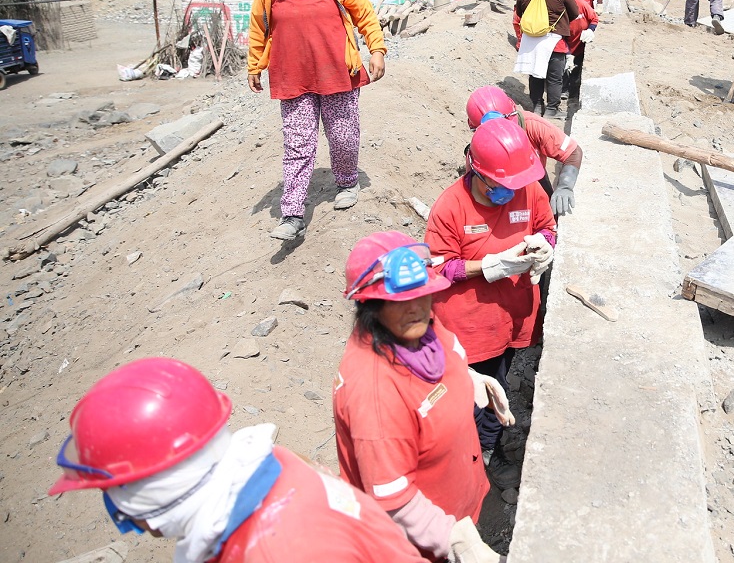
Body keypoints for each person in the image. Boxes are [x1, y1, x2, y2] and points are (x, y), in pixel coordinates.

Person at [49, 357, 425, 563]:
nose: (120, 513)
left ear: (150, 486)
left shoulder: (272, 552)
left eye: (115, 490)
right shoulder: (274, 461)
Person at [334, 231, 508, 562]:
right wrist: (454, 540)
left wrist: (470, 377)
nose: (417, 309)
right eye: (400, 302)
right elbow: (396, 501)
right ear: (369, 305)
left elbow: (447, 350)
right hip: (421, 541)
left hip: (456, 498)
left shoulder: (421, 326)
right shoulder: (374, 394)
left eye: (423, 295)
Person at [424, 119, 556, 490]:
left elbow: (547, 226)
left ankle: (487, 452)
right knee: (466, 395)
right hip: (468, 327)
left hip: (513, 317)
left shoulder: (527, 190)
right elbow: (439, 268)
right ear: (478, 175)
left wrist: (546, 245)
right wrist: (490, 266)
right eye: (502, 187)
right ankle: (461, 460)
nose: (511, 193)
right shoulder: (451, 207)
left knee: (498, 386)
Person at [247, 0, 385, 242]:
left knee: (342, 134)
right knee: (297, 143)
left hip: (338, 71)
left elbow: (365, 15)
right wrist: (254, 64)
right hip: (291, 75)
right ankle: (292, 214)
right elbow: (257, 27)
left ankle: (347, 181)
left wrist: (377, 50)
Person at [466, 85, 583, 215]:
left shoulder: (533, 125)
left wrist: (565, 186)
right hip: (501, 197)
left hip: (534, 182)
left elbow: (572, 152)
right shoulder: (477, 151)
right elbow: (474, 190)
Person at [513, 0, 580, 119]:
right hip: (555, 42)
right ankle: (552, 110)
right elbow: (574, 13)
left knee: (535, 75)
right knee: (554, 78)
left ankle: (536, 106)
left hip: (531, 43)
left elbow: (520, 14)